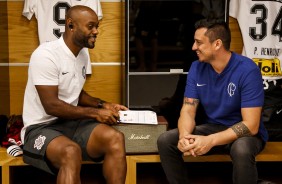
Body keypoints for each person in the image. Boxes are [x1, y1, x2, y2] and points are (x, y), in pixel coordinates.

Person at [21, 5, 128, 184]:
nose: (96, 31)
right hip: (40, 127)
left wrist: (102, 104)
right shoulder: (45, 55)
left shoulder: (82, 53)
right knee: (71, 152)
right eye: (91, 26)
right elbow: (52, 105)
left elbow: (75, 92)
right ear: (71, 25)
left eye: (97, 26)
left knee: (115, 138)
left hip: (71, 124)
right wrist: (95, 113)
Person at [157, 19, 268, 184]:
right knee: (166, 140)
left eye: (199, 42)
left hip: (244, 133)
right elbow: (188, 109)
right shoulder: (196, 67)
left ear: (217, 44)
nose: (194, 47)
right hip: (213, 127)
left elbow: (251, 125)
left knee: (242, 149)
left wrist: (210, 140)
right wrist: (184, 135)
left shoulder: (247, 70)